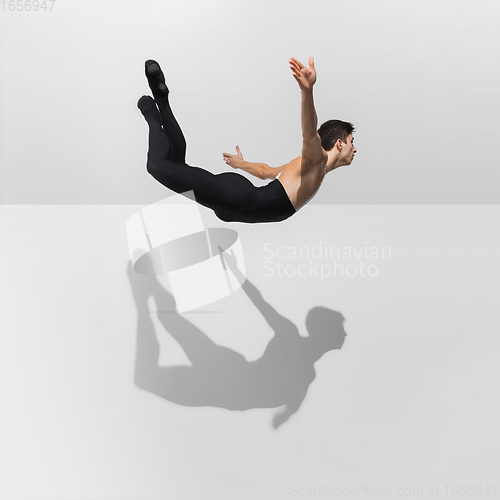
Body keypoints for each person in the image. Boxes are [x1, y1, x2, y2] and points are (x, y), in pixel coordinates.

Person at [137, 57, 356, 223]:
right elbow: (309, 133)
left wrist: (241, 164)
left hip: (235, 203)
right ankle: (151, 113)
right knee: (157, 165)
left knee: (177, 166)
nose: (354, 149)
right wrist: (307, 92)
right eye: (351, 141)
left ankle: (162, 100)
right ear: (339, 143)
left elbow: (266, 172)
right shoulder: (316, 160)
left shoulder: (308, 169)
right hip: (238, 199)